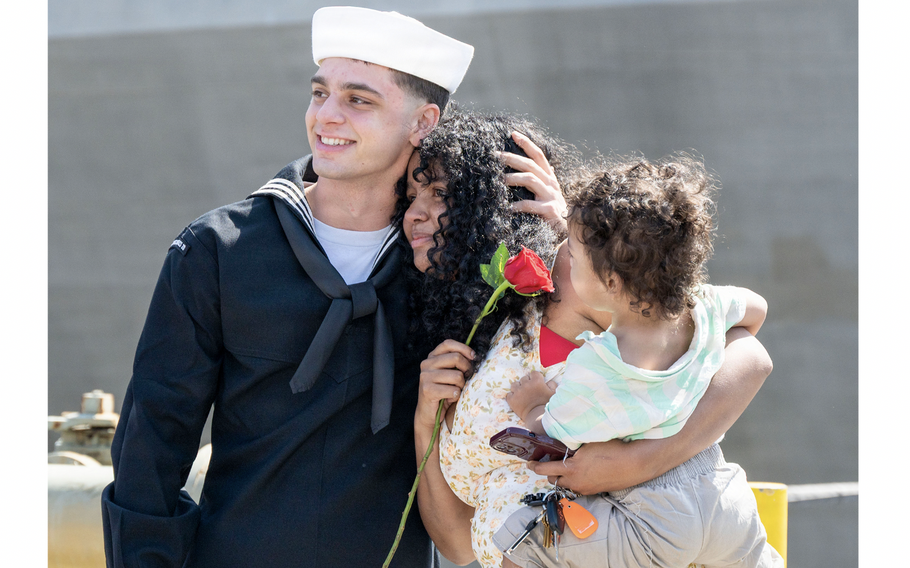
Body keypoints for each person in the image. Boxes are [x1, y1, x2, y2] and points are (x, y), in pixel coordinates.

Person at [100, 7, 475, 567]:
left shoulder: (450, 265)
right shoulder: (217, 250)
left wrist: (555, 224)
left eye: (359, 100)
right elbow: (152, 446)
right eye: (319, 93)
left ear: (422, 123)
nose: (327, 116)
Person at [404, 111, 775, 568]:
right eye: (410, 195)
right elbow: (461, 547)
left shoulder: (570, 276)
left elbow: (750, 355)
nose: (415, 212)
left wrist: (641, 461)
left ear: (496, 201)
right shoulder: (449, 328)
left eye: (440, 194)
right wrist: (427, 422)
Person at [502, 156, 784, 567]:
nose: (565, 257)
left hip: (652, 519)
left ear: (612, 282)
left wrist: (530, 406)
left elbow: (554, 443)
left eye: (574, 258)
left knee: (524, 543)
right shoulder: (704, 309)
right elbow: (755, 311)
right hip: (724, 495)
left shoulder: (597, 366)